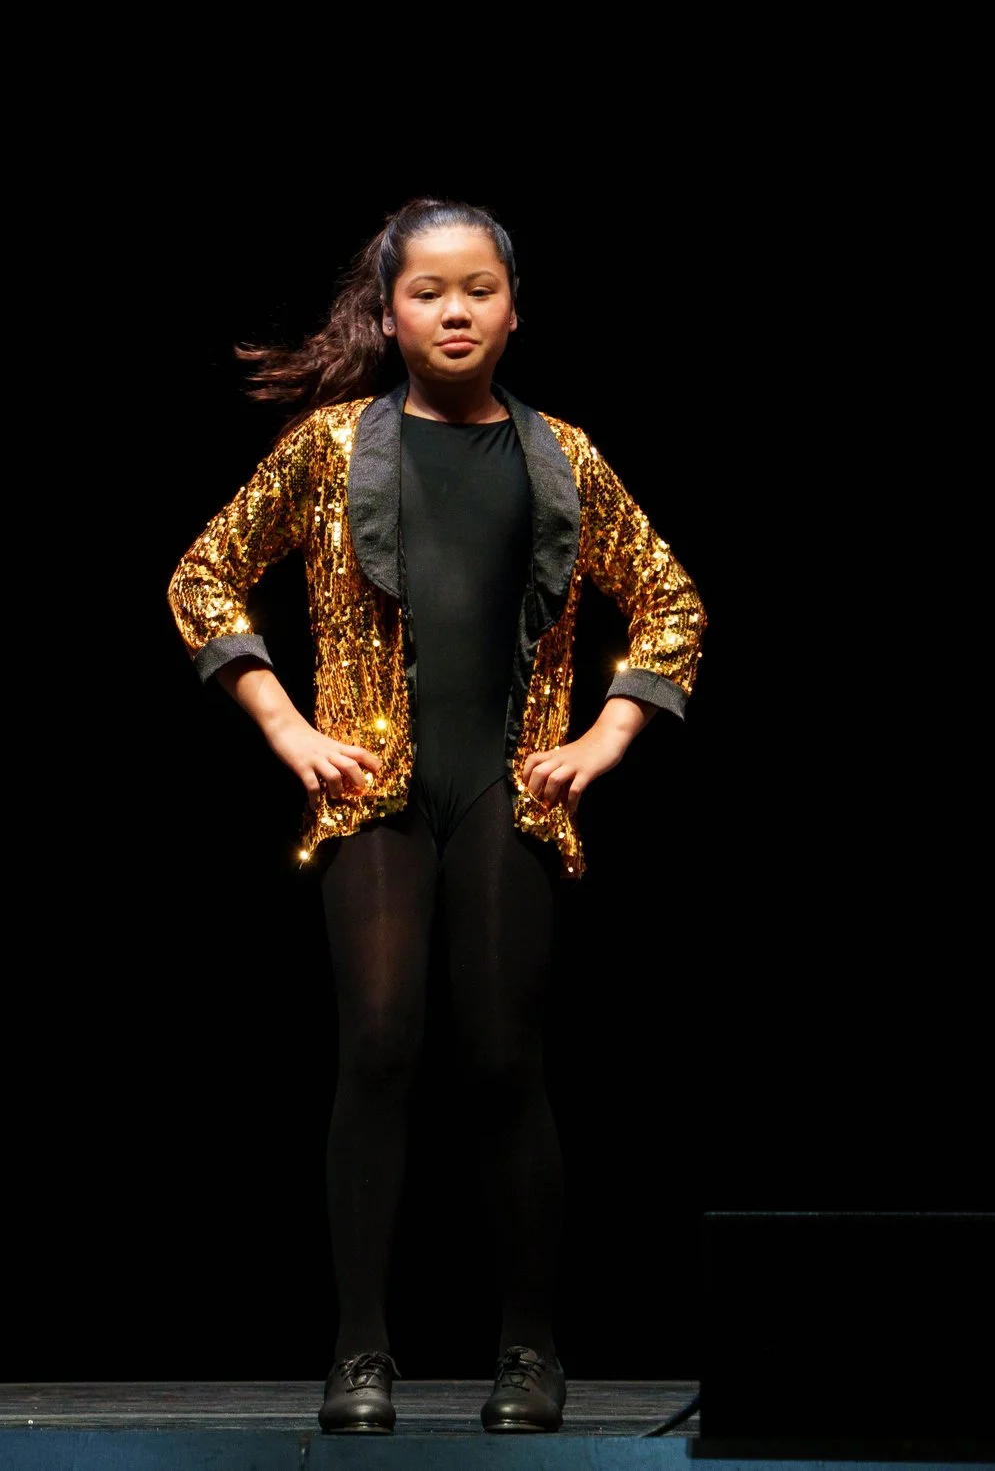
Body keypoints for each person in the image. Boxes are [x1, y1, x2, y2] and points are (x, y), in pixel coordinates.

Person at [168, 199, 706, 1435]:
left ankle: (529, 1348)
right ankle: (361, 1349)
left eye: (477, 290)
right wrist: (287, 727)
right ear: (389, 310)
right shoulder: (327, 450)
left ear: (514, 308)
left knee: (506, 1057)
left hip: (508, 788)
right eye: (428, 292)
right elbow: (202, 573)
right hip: (379, 791)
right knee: (378, 1045)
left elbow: (671, 597)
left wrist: (604, 736)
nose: (454, 311)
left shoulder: (558, 451)